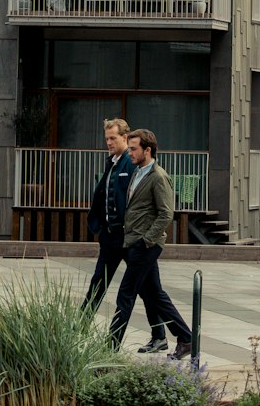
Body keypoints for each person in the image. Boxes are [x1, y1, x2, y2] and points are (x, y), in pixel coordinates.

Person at [82, 118, 168, 354]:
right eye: (106, 138)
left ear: (125, 138)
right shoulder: (112, 162)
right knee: (98, 282)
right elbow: (103, 195)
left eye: (113, 138)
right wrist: (99, 225)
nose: (108, 142)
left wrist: (143, 237)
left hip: (132, 238)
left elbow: (143, 202)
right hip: (111, 237)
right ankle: (79, 328)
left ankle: (161, 335)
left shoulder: (133, 164)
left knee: (149, 289)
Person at [109, 127, 192, 360]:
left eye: (134, 149)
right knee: (155, 296)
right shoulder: (137, 172)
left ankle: (109, 348)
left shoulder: (158, 177)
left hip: (145, 246)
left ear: (147, 150)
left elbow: (166, 214)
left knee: (125, 296)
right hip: (135, 242)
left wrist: (146, 241)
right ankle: (186, 339)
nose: (130, 153)